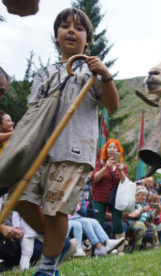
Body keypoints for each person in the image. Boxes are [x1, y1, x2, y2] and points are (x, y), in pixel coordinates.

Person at [15, 8, 119, 276]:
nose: (71, 30)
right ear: (56, 36)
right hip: (39, 151)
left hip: (73, 151)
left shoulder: (92, 72)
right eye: (64, 26)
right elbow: (33, 112)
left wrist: (105, 75)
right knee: (20, 199)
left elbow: (112, 105)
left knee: (55, 209)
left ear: (88, 40)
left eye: (79, 28)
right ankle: (56, 246)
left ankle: (48, 267)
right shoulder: (44, 73)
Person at [91, 139, 128, 254]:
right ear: (105, 150)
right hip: (99, 197)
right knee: (98, 221)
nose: (112, 149)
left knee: (118, 222)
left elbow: (126, 182)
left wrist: (121, 170)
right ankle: (99, 249)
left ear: (118, 151)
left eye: (114, 147)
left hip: (116, 198)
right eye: (109, 147)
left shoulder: (123, 166)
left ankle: (120, 250)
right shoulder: (99, 163)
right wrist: (106, 167)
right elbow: (94, 178)